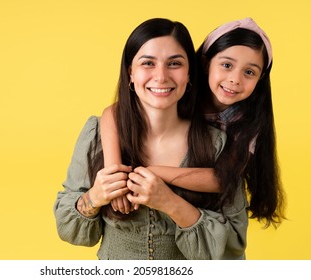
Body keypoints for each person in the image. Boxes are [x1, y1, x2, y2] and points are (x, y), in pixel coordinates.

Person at [54, 18, 248, 260]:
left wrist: (170, 203)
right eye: (148, 63)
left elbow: (233, 247)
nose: (161, 76)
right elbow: (69, 230)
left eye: (174, 63)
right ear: (130, 73)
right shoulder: (98, 134)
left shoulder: (219, 144)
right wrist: (95, 197)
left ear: (189, 75)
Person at [101, 17, 285, 228]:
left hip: (210, 222)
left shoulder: (249, 121)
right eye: (226, 65)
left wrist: (151, 171)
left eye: (249, 72)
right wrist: (113, 173)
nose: (235, 79)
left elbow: (222, 179)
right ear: (206, 64)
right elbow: (115, 111)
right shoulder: (178, 90)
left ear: (260, 79)